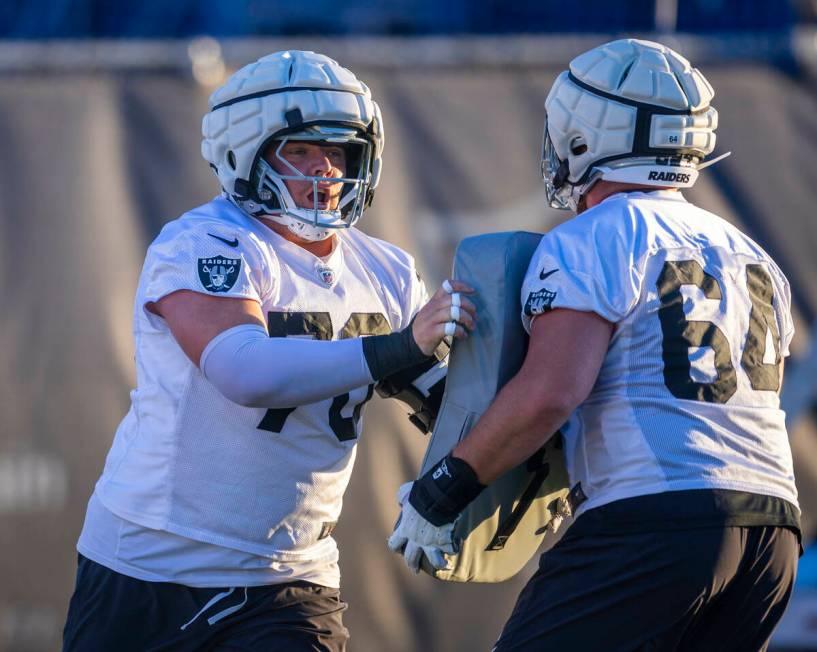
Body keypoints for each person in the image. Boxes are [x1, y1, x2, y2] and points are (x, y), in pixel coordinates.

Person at [389, 38, 800, 651]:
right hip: (774, 533)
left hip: (655, 521)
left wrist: (443, 488)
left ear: (586, 137)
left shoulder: (597, 235)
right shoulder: (751, 253)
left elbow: (551, 392)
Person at [62, 50, 475, 651]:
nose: (326, 170)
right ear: (244, 153)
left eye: (338, 152)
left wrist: (474, 474)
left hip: (291, 575)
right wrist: (401, 344)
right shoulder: (203, 241)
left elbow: (450, 404)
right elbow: (244, 370)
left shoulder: (384, 270)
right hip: (151, 564)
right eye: (302, 150)